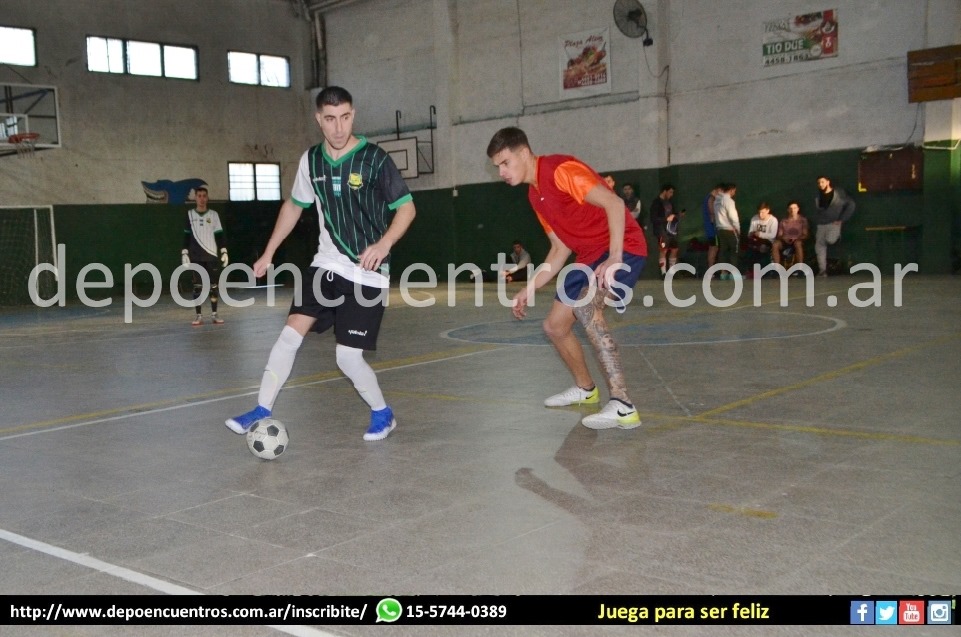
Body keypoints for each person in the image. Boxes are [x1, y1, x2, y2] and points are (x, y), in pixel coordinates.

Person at [226, 86, 416, 442]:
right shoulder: (311, 161)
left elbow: (406, 208)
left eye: (345, 117)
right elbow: (294, 206)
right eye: (330, 119)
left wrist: (384, 244)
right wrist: (268, 252)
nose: (338, 127)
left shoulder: (374, 159)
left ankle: (382, 413)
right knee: (289, 334)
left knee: (348, 358)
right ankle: (262, 408)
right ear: (319, 120)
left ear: (353, 115)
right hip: (327, 264)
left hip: (368, 273)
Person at [486, 127, 647, 430]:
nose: (501, 172)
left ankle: (623, 405)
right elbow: (560, 249)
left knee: (586, 307)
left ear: (524, 153)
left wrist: (615, 256)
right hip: (587, 256)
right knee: (554, 326)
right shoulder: (535, 195)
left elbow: (614, 204)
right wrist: (529, 288)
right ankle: (586, 389)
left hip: (623, 246)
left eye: (505, 163)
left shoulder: (561, 171)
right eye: (497, 167)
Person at [181, 186, 228, 326]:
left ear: (207, 198)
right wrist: (184, 252)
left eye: (204, 196)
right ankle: (198, 316)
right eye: (199, 196)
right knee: (197, 286)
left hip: (211, 255)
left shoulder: (213, 215)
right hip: (195, 256)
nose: (202, 198)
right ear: (195, 198)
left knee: (213, 286)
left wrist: (224, 250)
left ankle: (214, 314)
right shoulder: (190, 214)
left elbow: (219, 234)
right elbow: (186, 235)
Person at [813, 175, 856, 277]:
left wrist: (842, 219)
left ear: (828, 182)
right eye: (819, 183)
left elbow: (851, 205)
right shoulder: (818, 196)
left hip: (834, 224)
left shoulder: (839, 194)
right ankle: (822, 270)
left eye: (822, 182)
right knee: (819, 247)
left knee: (830, 240)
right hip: (821, 225)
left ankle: (837, 237)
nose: (820, 184)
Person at [713, 183, 741, 279]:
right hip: (730, 229)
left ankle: (723, 273)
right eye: (734, 191)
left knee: (723, 251)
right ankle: (734, 274)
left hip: (720, 229)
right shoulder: (728, 201)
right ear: (731, 190)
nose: (734, 193)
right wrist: (737, 228)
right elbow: (733, 216)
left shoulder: (716, 200)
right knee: (734, 250)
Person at [649, 184, 678, 277]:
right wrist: (666, 219)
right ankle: (663, 273)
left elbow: (674, 213)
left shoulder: (670, 202)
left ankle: (672, 272)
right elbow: (653, 218)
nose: (671, 194)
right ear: (664, 191)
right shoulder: (656, 203)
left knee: (674, 249)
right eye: (670, 192)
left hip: (671, 230)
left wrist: (675, 216)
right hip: (661, 230)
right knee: (663, 250)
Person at [773, 201, 809, 268]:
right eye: (790, 208)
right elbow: (779, 235)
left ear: (798, 209)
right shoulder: (784, 221)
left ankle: (800, 267)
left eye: (794, 208)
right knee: (775, 244)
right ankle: (777, 268)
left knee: (798, 243)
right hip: (785, 241)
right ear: (788, 210)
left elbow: (805, 235)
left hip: (797, 241)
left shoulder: (803, 220)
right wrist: (784, 238)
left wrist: (796, 238)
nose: (792, 210)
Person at [745, 202, 778, 274]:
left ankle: (765, 271)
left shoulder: (773, 220)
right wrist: (752, 234)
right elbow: (750, 233)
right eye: (759, 212)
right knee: (750, 248)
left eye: (762, 212)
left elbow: (772, 235)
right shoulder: (754, 218)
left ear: (767, 211)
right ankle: (751, 271)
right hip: (755, 240)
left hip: (768, 241)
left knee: (762, 247)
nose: (760, 214)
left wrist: (760, 234)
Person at [702, 184, 723, 271]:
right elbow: (712, 212)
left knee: (713, 248)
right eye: (720, 192)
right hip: (712, 229)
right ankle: (711, 270)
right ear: (717, 190)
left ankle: (711, 269)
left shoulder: (708, 198)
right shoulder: (711, 198)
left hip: (710, 228)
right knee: (714, 248)